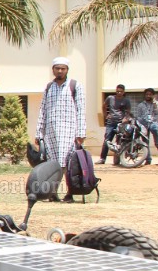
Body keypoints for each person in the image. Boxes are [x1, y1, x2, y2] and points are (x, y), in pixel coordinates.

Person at [35, 57, 85, 203]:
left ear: (67, 70)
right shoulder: (49, 87)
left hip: (69, 132)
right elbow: (42, 111)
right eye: (57, 68)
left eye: (63, 68)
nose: (60, 71)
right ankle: (53, 193)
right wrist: (39, 133)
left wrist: (81, 133)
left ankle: (70, 193)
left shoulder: (75, 86)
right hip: (51, 133)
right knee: (53, 165)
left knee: (69, 165)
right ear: (53, 70)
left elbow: (81, 110)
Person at [97, 84, 131, 165]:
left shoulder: (126, 100)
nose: (119, 93)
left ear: (123, 92)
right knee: (107, 140)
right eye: (117, 91)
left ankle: (117, 160)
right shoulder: (110, 98)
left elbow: (128, 111)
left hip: (121, 123)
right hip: (111, 123)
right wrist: (106, 115)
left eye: (121, 91)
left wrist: (125, 118)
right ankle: (102, 158)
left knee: (119, 142)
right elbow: (104, 106)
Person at [135, 88, 158, 165]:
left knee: (154, 128)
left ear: (153, 95)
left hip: (153, 122)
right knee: (145, 142)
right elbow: (138, 116)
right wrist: (140, 124)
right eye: (147, 94)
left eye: (150, 94)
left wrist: (154, 103)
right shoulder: (141, 105)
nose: (148, 96)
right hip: (144, 125)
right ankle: (148, 159)